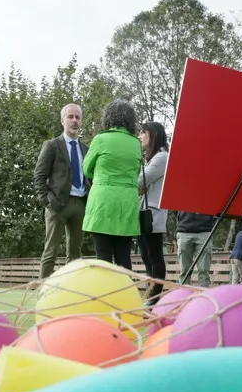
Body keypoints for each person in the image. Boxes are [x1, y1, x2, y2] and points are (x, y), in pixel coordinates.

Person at [82, 99, 142, 270]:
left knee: (103, 257)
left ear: (108, 117)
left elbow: (86, 169)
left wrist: (100, 175)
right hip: (127, 203)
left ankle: (104, 288)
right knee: (124, 256)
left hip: (103, 202)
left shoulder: (100, 139)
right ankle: (127, 287)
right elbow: (137, 172)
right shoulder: (136, 143)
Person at [34, 103, 89, 279]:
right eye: (70, 117)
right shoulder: (52, 145)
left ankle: (71, 291)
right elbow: (39, 176)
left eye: (78, 117)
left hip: (80, 204)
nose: (74, 120)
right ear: (62, 121)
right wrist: (47, 201)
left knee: (75, 253)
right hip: (57, 205)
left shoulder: (86, 149)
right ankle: (43, 290)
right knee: (51, 251)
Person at [137, 121, 169, 304]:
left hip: (154, 213)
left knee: (154, 255)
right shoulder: (151, 158)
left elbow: (141, 180)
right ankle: (151, 294)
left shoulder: (162, 157)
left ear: (153, 135)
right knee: (146, 254)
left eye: (143, 132)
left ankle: (154, 298)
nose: (140, 136)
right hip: (145, 211)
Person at [176, 212, 213, 287]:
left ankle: (203, 292)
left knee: (204, 270)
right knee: (184, 270)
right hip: (183, 230)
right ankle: (183, 292)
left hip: (205, 231)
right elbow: (174, 209)